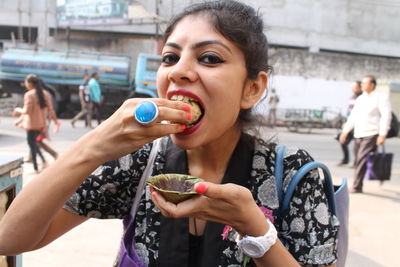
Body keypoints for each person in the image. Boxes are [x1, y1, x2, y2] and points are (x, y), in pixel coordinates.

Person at [0, 1, 339, 266]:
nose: (178, 71)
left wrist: (257, 230)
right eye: (169, 57)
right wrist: (93, 146)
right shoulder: (140, 161)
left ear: (252, 88)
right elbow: (10, 239)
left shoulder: (294, 174)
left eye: (208, 58)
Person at [339, 75, 392, 193]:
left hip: (372, 133)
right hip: (358, 133)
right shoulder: (360, 99)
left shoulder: (380, 97)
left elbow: (386, 116)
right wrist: (345, 131)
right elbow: (353, 116)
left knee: (361, 159)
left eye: (364, 83)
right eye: (361, 83)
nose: (362, 85)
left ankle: (357, 186)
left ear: (372, 85)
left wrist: (382, 134)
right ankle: (377, 174)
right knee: (358, 159)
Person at [12, 74, 55, 173]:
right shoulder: (45, 93)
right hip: (41, 124)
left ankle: (36, 168)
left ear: (30, 83)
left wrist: (17, 110)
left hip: (32, 125)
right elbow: (50, 109)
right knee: (35, 144)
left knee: (32, 145)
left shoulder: (29, 95)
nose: (26, 85)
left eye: (26, 82)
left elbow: (26, 111)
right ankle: (43, 162)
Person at [336, 81, 362, 166]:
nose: (353, 89)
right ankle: (345, 159)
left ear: (360, 87)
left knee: (357, 146)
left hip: (360, 126)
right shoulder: (352, 98)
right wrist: (346, 124)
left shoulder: (363, 98)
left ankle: (356, 162)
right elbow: (350, 113)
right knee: (342, 141)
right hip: (351, 125)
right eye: (352, 88)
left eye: (355, 87)